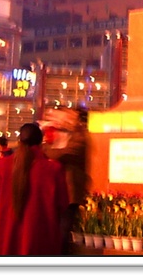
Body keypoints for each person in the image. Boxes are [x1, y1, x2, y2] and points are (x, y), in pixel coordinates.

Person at [0, 122, 69, 255]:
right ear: (41, 142)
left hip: (8, 237)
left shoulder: (3, 165)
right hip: (41, 240)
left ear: (19, 141)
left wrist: (6, 212)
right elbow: (62, 204)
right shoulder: (54, 169)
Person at [42, 108, 89, 255]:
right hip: (59, 188)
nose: (66, 119)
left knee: (64, 224)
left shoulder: (80, 135)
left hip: (70, 190)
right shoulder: (65, 133)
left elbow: (66, 153)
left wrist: (47, 152)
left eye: (70, 116)